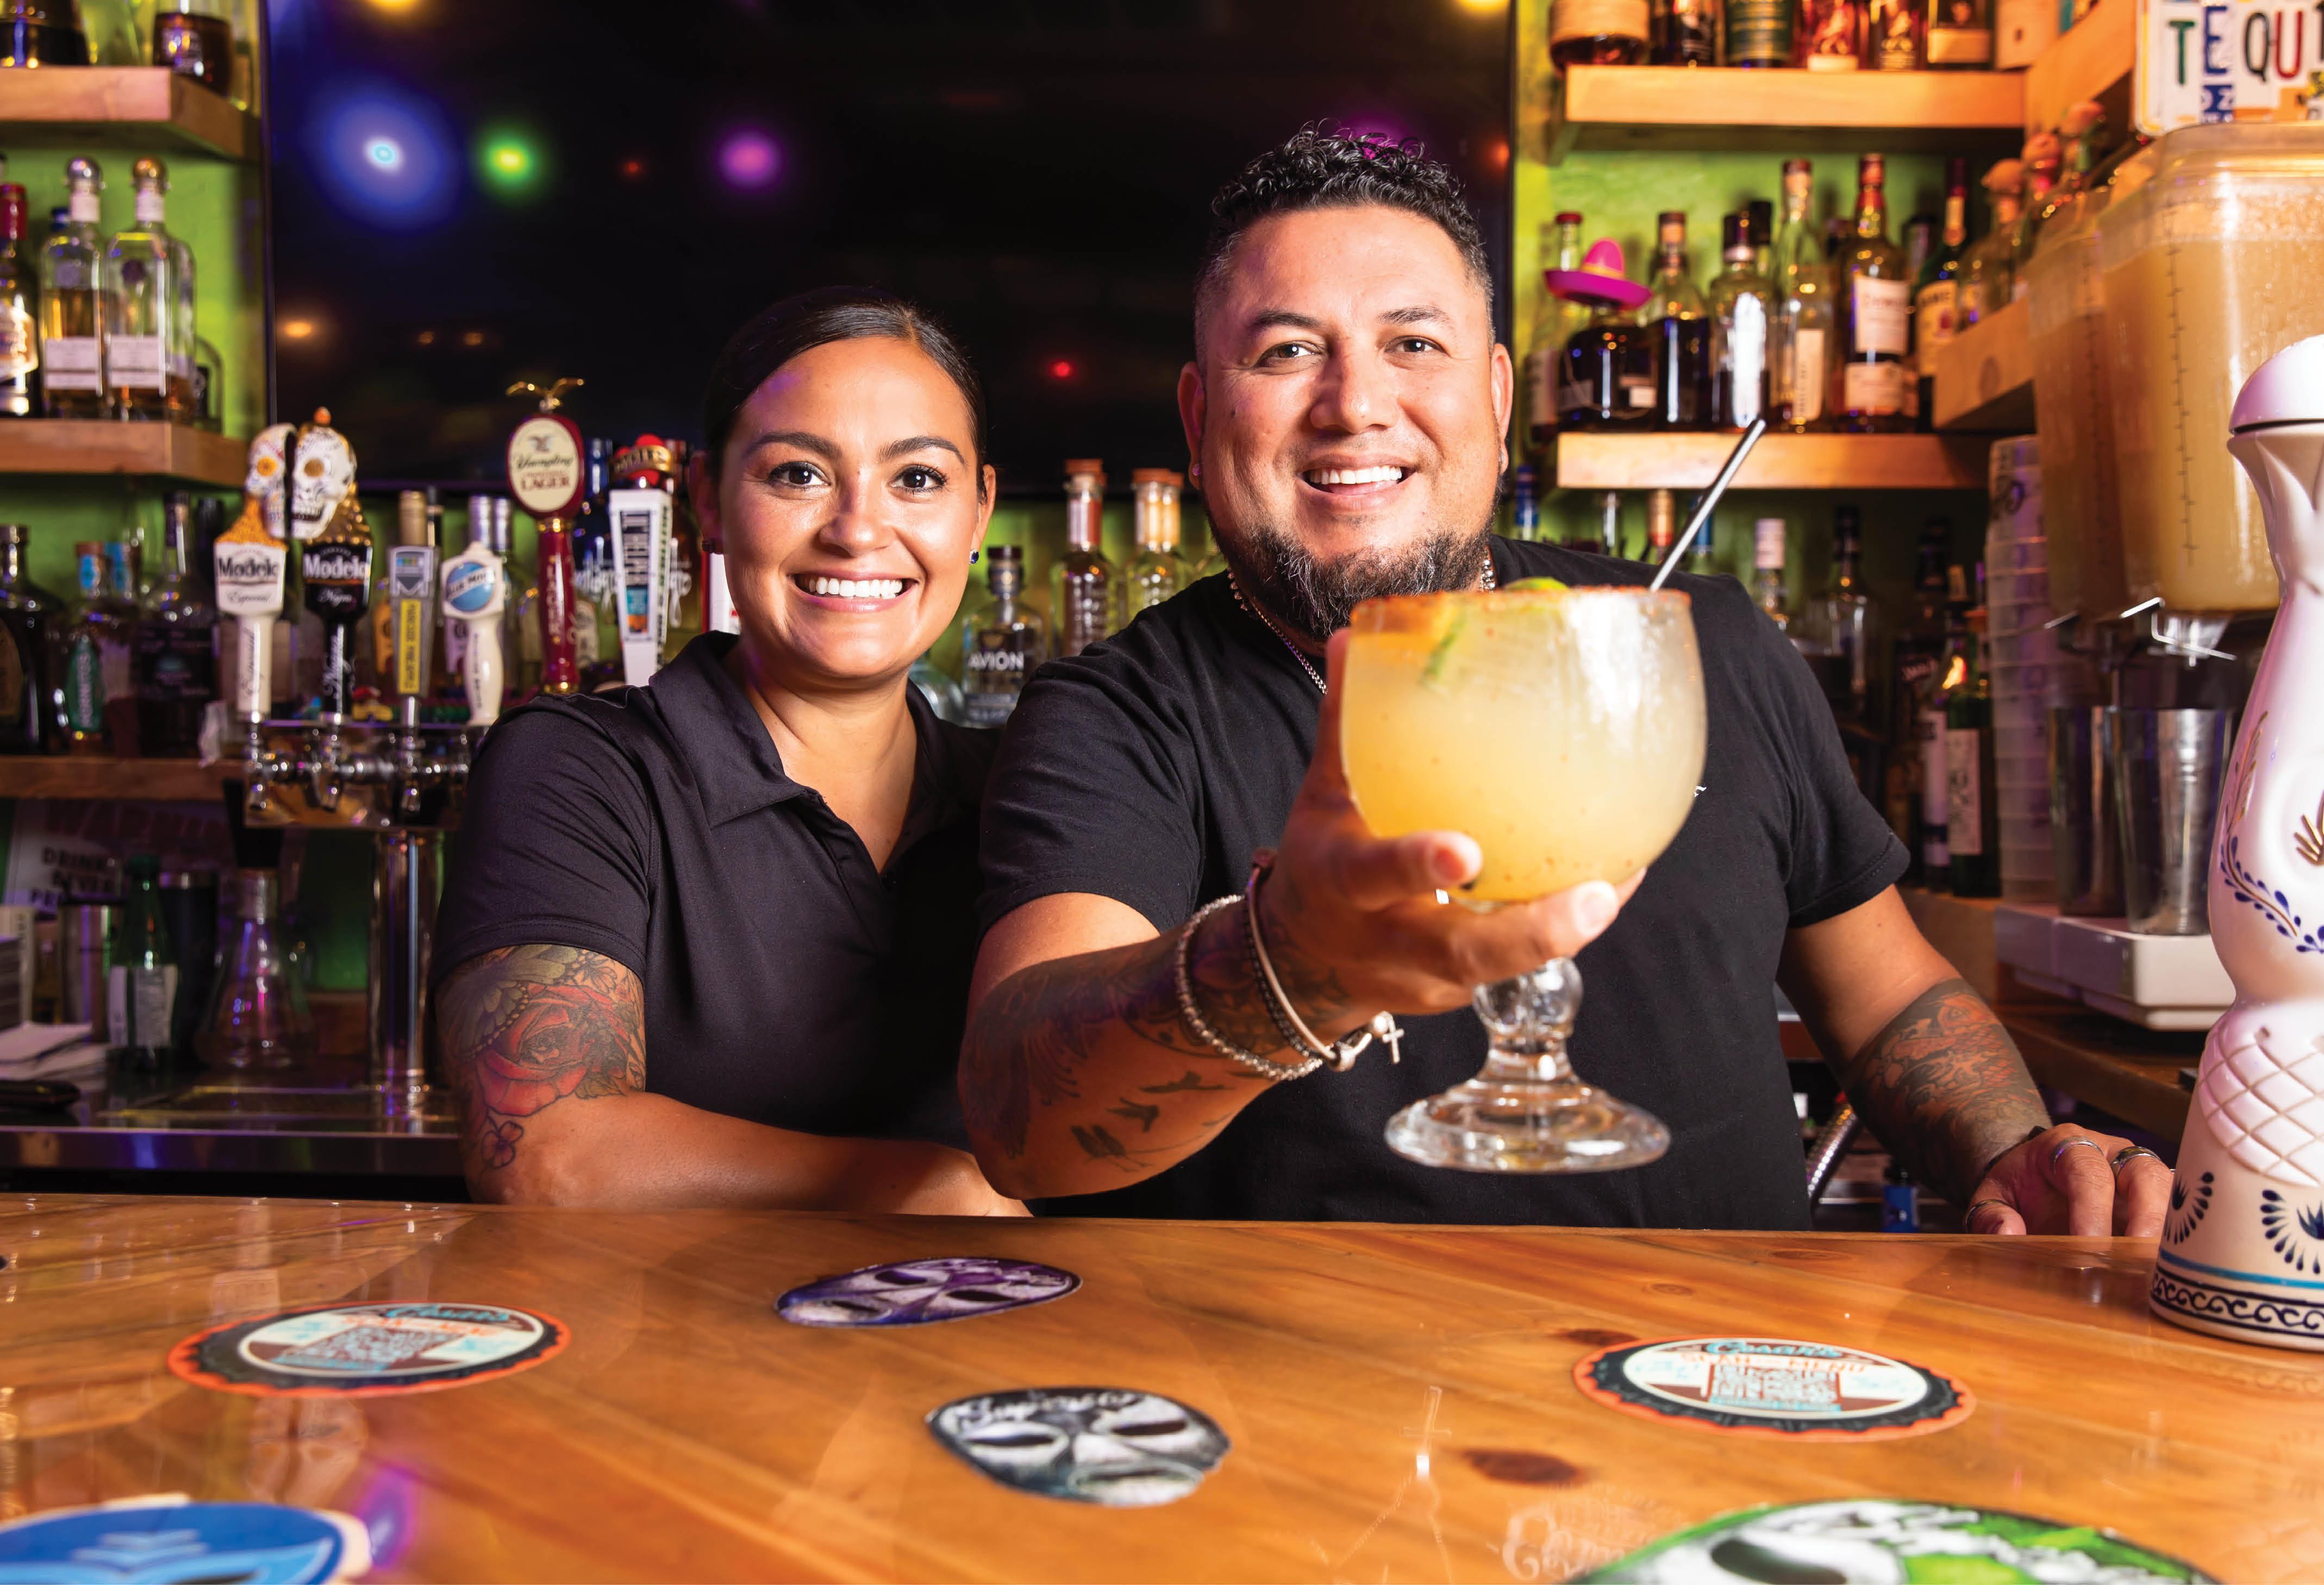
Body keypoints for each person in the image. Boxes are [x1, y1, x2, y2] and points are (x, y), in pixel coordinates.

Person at [959, 128, 2173, 1236]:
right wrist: (1285, 969)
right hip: (1316, 1390)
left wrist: (2013, 1150)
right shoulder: (1121, 715)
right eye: (1287, 352)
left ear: (1496, 397)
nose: (1356, 404)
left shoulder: (1693, 642)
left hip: (1728, 1372)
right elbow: (1021, 1119)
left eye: (1412, 344)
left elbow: (1894, 997)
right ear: (1197, 417)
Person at [433, 287, 1020, 1214]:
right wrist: (922, 1188)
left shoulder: (1025, 795)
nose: (859, 530)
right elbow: (545, 1155)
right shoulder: (582, 770)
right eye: (799, 474)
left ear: (979, 512)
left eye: (917, 479)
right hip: (668, 1319)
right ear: (707, 500)